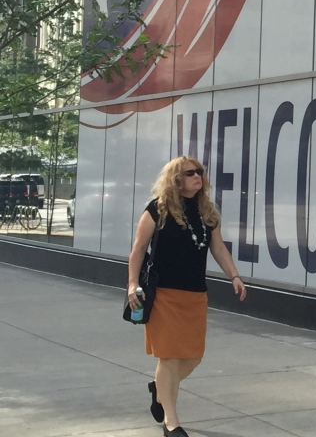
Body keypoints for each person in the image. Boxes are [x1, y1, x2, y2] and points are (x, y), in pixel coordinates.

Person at [127, 156, 246, 437]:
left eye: (200, 172)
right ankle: (172, 422)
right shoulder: (157, 209)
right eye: (190, 173)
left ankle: (159, 389)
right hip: (163, 294)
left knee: (192, 357)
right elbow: (138, 248)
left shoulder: (207, 211)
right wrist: (132, 285)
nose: (198, 177)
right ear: (176, 179)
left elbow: (218, 248)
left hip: (194, 294)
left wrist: (235, 275)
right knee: (168, 357)